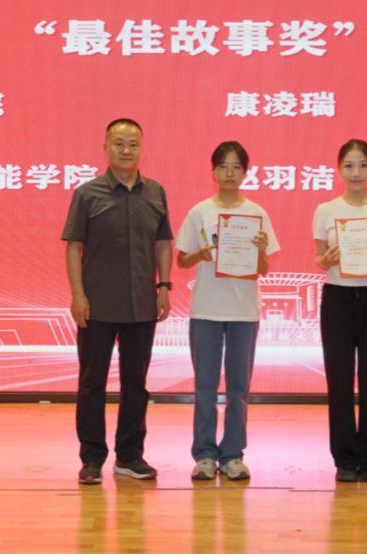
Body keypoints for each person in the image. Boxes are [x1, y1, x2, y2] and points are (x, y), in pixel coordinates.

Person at [62, 118, 174, 485]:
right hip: (96, 305)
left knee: (136, 385)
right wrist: (78, 295)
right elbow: (74, 247)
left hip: (141, 305)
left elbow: (162, 243)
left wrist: (163, 287)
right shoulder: (87, 193)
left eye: (133, 144)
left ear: (142, 149)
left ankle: (129, 455)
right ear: (105, 148)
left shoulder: (155, 192)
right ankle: (91, 458)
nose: (126, 150)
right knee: (91, 384)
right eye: (119, 143)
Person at [176, 141, 279, 481]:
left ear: (246, 172)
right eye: (223, 166)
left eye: (236, 167)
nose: (230, 173)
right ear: (214, 172)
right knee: (205, 387)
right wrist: (200, 254)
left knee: (238, 389)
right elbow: (182, 260)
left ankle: (233, 454)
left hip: (243, 312)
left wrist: (260, 251)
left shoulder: (257, 213)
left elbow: (263, 269)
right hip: (206, 310)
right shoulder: (200, 212)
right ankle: (205, 455)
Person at [312, 139, 367, 483]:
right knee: (339, 378)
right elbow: (319, 258)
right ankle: (345, 458)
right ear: (339, 170)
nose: (356, 173)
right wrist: (327, 259)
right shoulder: (326, 210)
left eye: (363, 165)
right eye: (349, 165)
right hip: (338, 297)